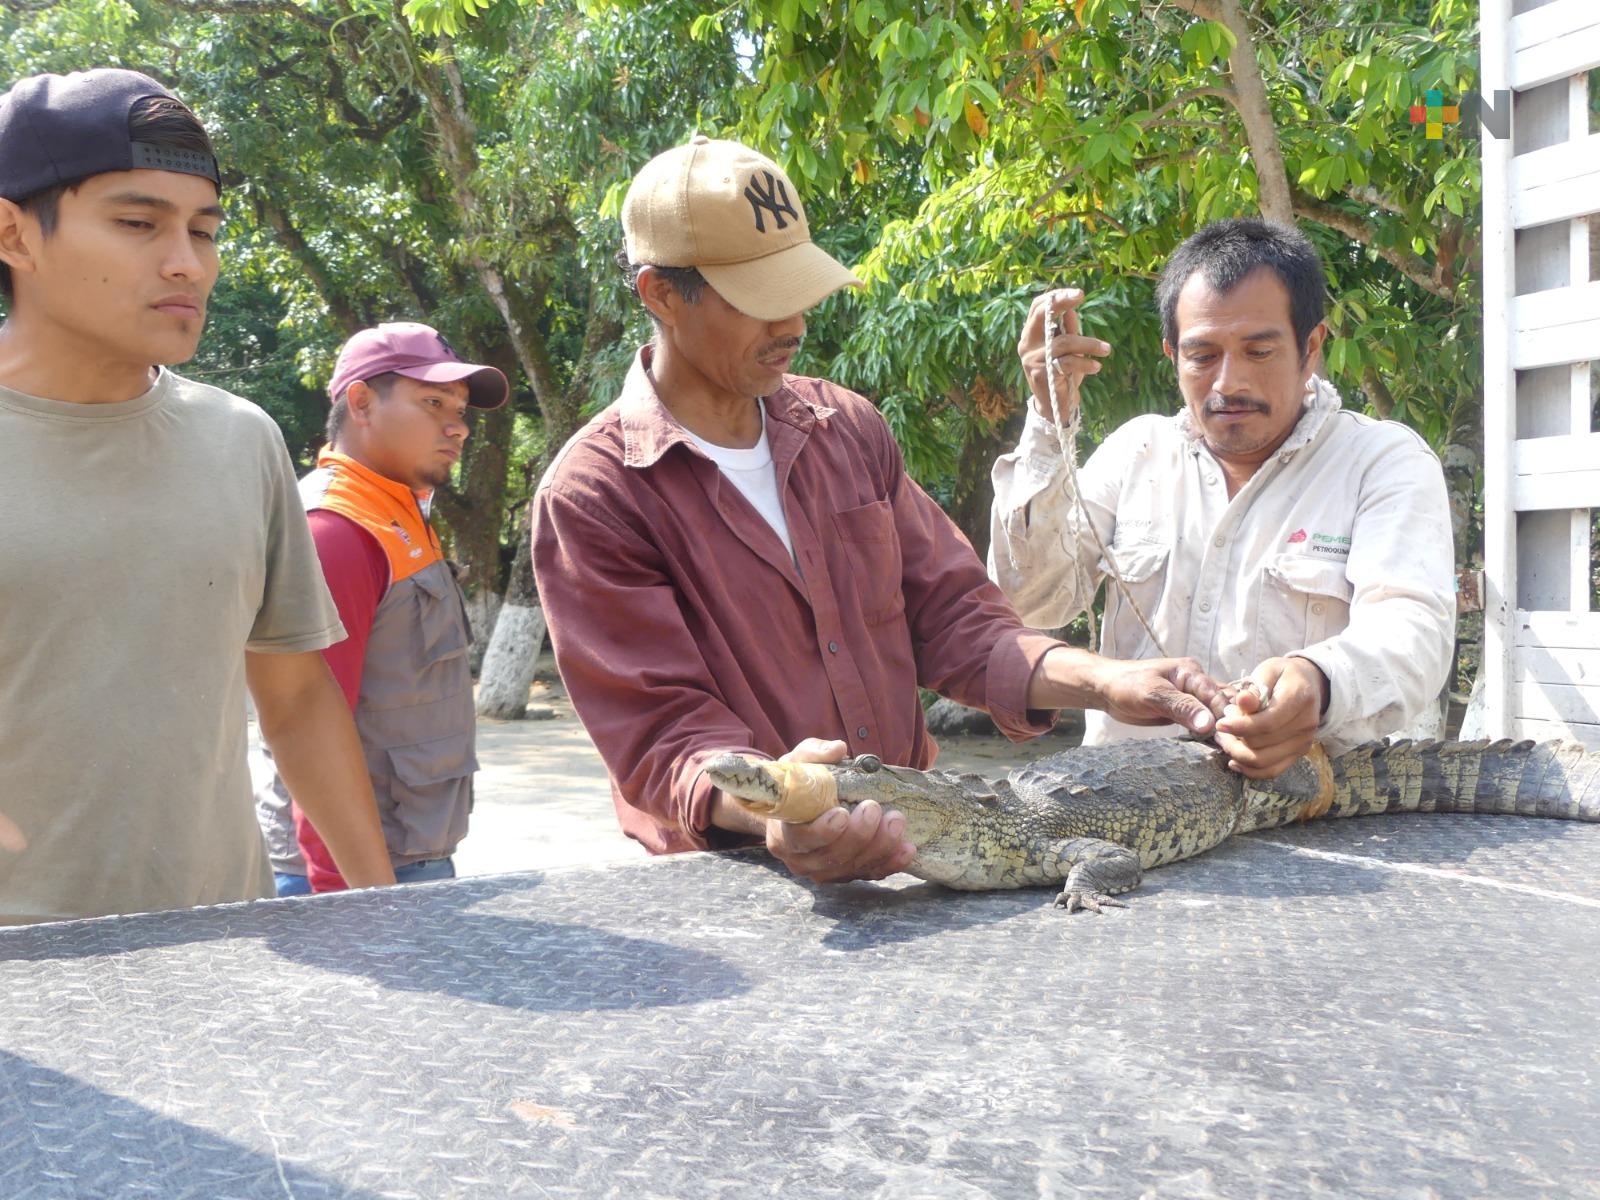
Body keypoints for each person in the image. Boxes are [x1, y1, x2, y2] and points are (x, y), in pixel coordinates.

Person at [532, 135, 1226, 886]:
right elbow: (663, 732)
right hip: (731, 882)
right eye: (760, 301)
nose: (792, 324)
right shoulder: (596, 496)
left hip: (919, 851)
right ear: (661, 294)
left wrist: (1106, 681)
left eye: (798, 291)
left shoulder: (847, 430)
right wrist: (778, 812)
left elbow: (959, 620)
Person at [0, 68, 395, 925]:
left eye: (205, 230)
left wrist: (384, 909)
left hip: (223, 957)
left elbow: (293, 697)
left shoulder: (240, 439)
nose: (187, 263)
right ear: (15, 235)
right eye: (138, 223)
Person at [989, 218, 1455, 778]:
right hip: (1121, 811)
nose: (1228, 382)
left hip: (1310, 814)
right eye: (1203, 354)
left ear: (1310, 347)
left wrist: (1319, 680)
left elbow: (1413, 633)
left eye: (1259, 351)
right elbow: (1031, 602)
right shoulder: (1136, 452)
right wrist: (1047, 420)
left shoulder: (1382, 462)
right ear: (1172, 354)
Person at [256, 322, 508, 894]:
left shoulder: (393, 511)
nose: (458, 426)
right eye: (433, 402)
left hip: (401, 858)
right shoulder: (338, 530)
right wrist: (358, 904)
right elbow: (306, 725)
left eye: (462, 409)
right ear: (362, 403)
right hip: (352, 878)